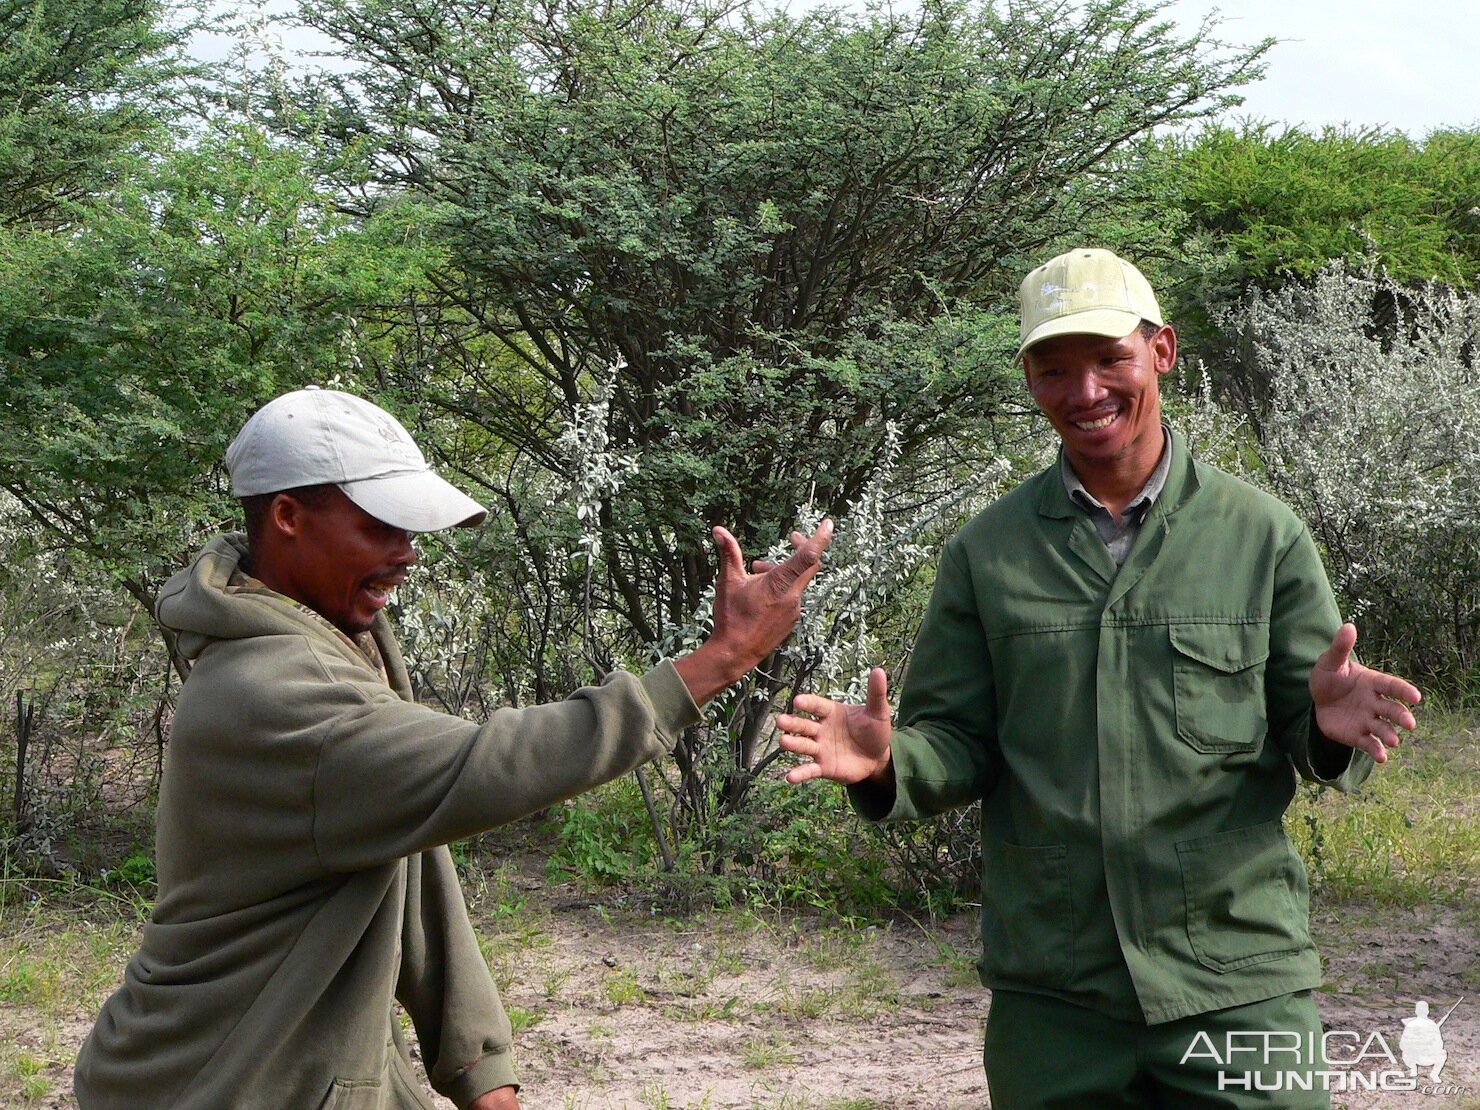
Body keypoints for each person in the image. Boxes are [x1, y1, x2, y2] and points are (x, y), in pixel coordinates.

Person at [776, 248, 1422, 1108]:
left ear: (1162, 352)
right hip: (1056, 992)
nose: (1085, 393)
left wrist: (1329, 731)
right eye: (1055, 370)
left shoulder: (1261, 535)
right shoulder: (988, 553)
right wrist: (892, 762)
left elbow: (1314, 732)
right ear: (1030, 380)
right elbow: (957, 744)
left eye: (1110, 359)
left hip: (1240, 981)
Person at [75, 386, 833, 1110]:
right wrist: (718, 662)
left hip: (295, 1067)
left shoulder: (330, 636)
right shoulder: (276, 688)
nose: (406, 553)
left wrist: (477, 1064)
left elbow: (406, 849)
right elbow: (481, 768)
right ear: (286, 517)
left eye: (408, 530)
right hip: (221, 1082)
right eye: (378, 527)